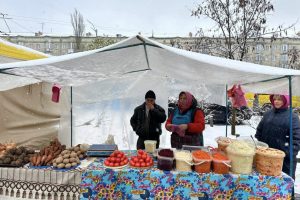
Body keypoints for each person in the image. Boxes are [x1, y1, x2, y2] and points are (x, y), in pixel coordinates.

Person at [255, 94, 300, 179]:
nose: (276, 101)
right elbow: (259, 132)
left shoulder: (293, 117)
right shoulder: (268, 114)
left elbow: (296, 140)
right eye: (275, 99)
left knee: (284, 187)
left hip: (284, 161)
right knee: (265, 185)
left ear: (286, 101)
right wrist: (262, 148)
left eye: (280, 99)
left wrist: (284, 153)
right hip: (266, 158)